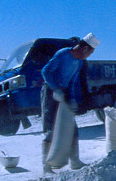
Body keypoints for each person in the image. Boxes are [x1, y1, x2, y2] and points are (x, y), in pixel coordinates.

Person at [40, 33, 99, 173]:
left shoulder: (79, 62)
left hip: (65, 94)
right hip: (50, 93)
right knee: (51, 128)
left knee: (72, 127)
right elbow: (46, 72)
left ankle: (75, 161)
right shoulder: (62, 55)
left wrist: (71, 98)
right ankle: (46, 166)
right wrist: (55, 89)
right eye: (90, 53)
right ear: (84, 49)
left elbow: (72, 82)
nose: (88, 56)